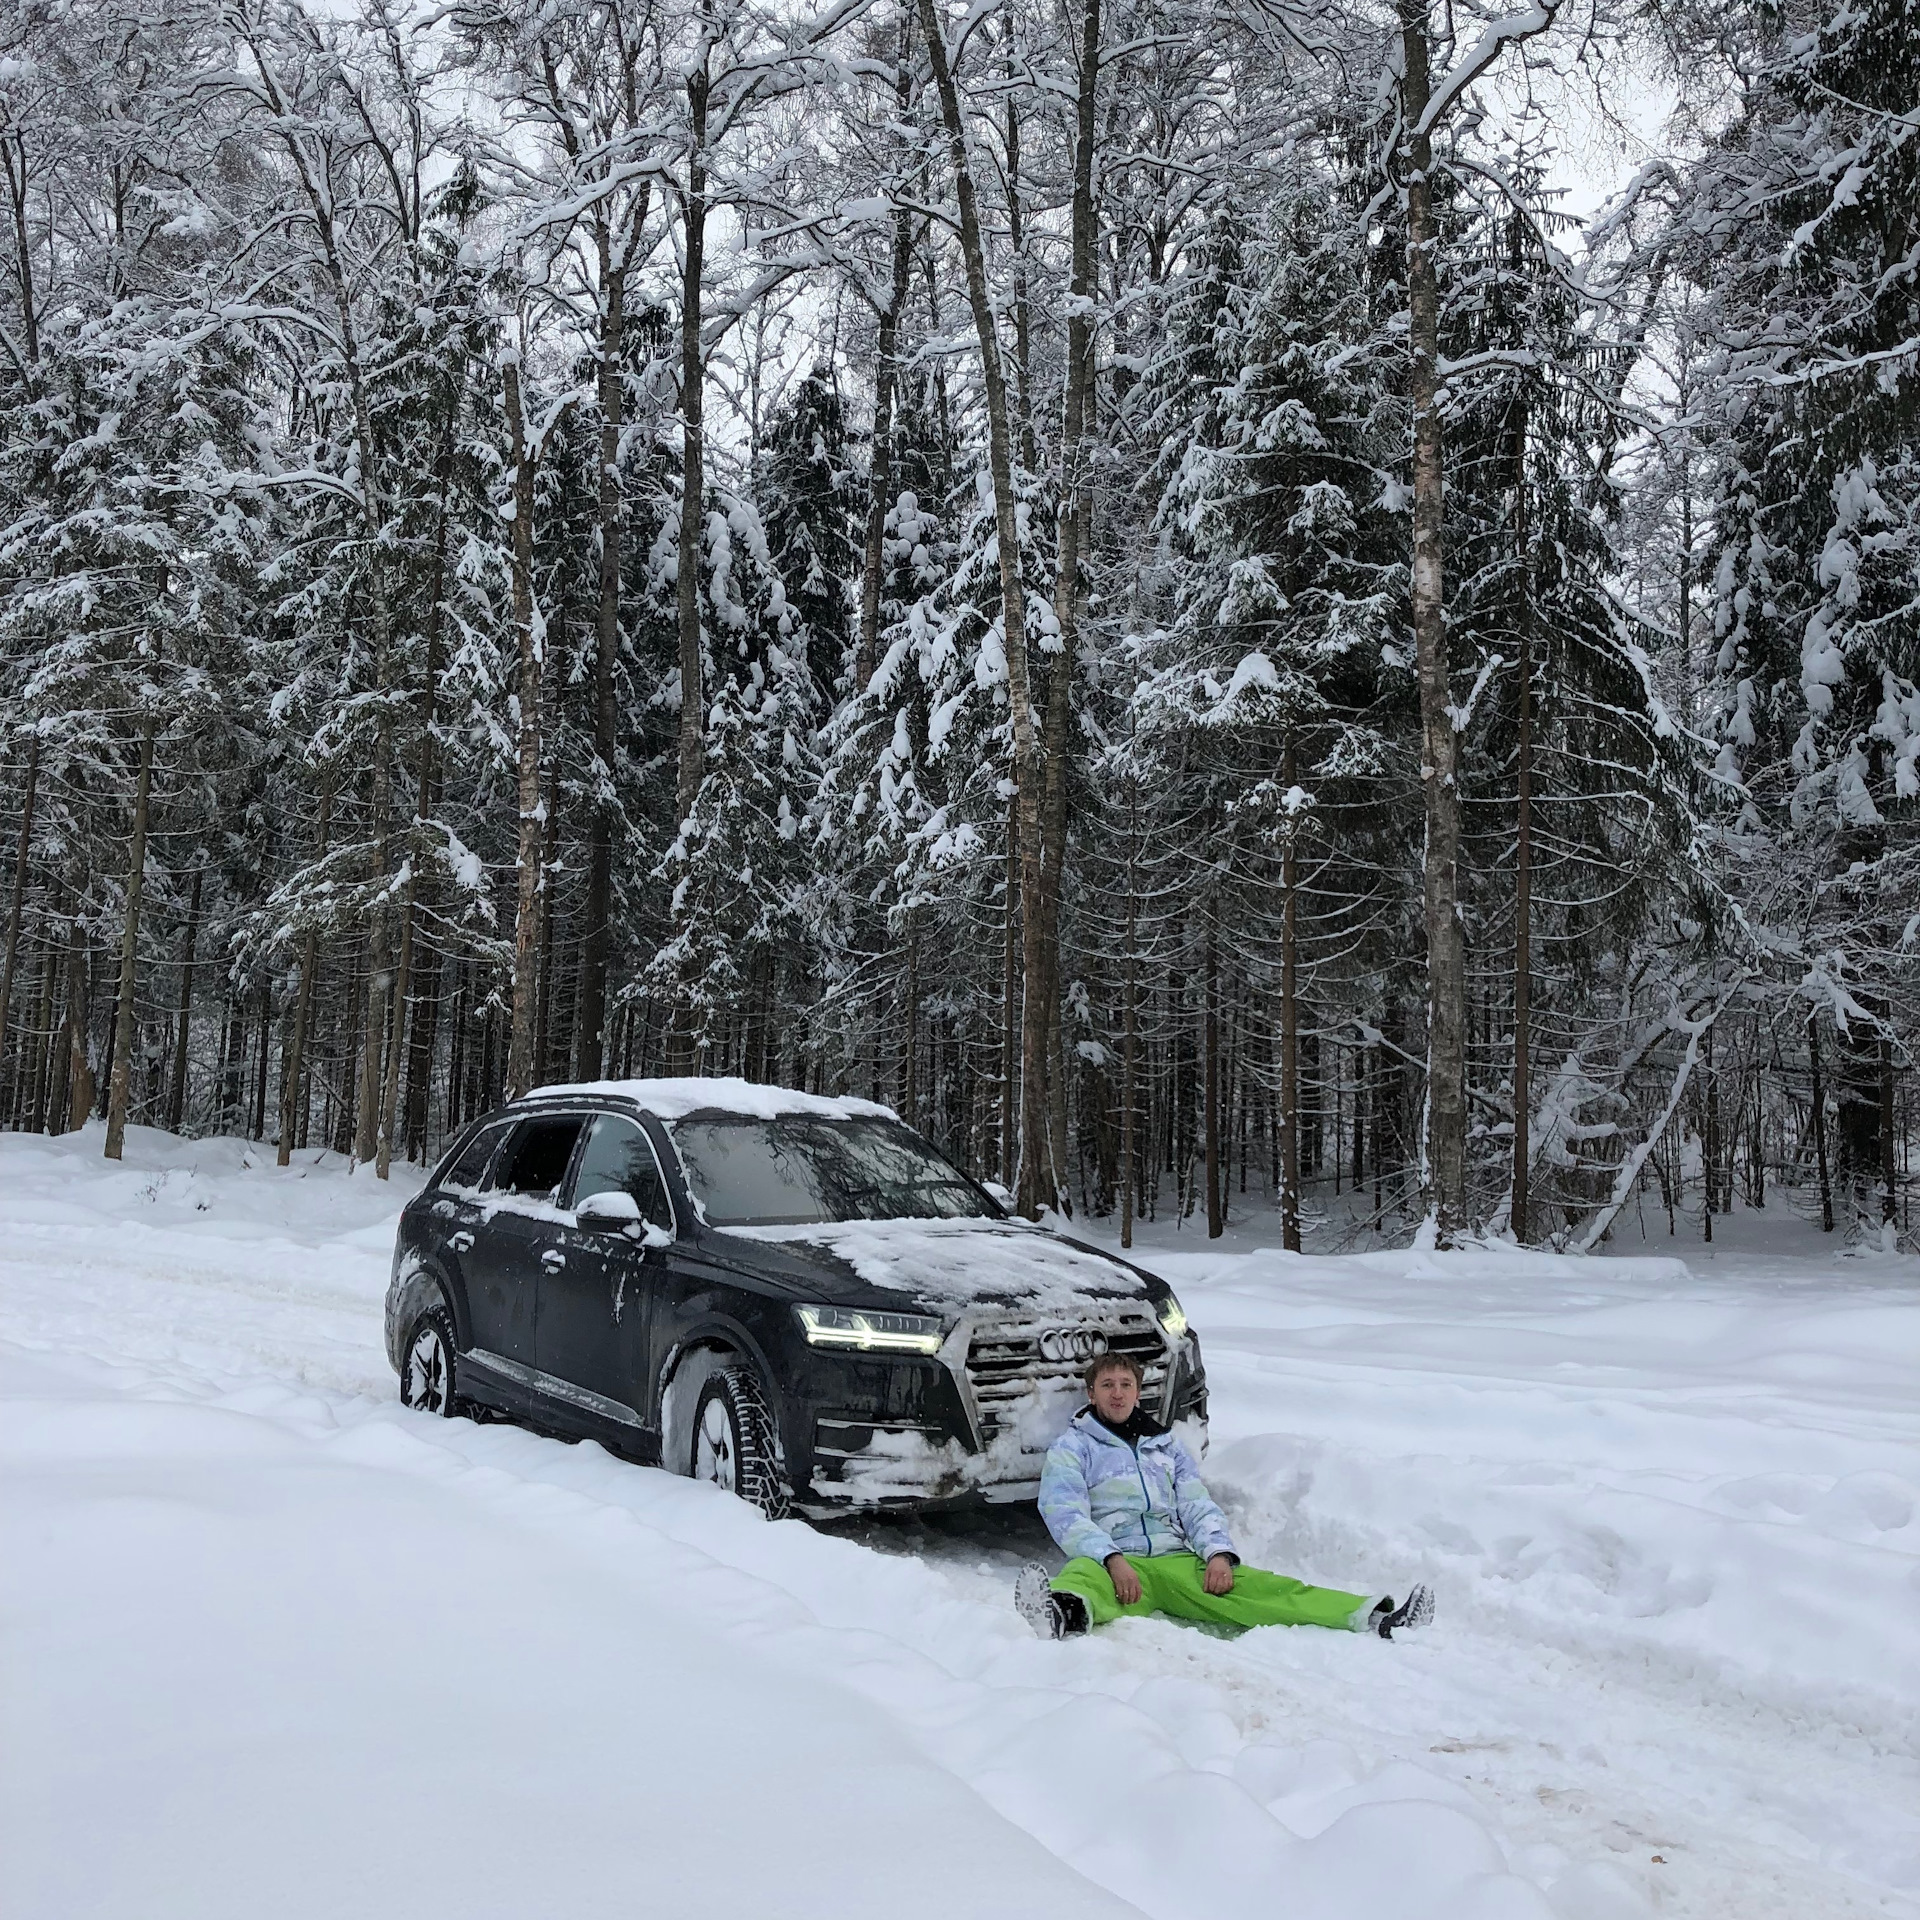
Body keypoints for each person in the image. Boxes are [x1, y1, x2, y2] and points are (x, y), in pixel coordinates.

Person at [1015, 1348, 1432, 1641]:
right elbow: (1065, 1512)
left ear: (1139, 1392)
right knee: (1082, 1578)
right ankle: (1057, 1614)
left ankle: (1377, 1617)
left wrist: (1216, 1554)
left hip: (1174, 1561)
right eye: (1108, 1385)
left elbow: (1197, 1504)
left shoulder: (1165, 1446)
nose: (1118, 1393)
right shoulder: (1073, 1448)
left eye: (1126, 1384)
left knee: (1265, 1589)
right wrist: (1111, 1558)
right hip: (1117, 1564)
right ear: (1092, 1394)